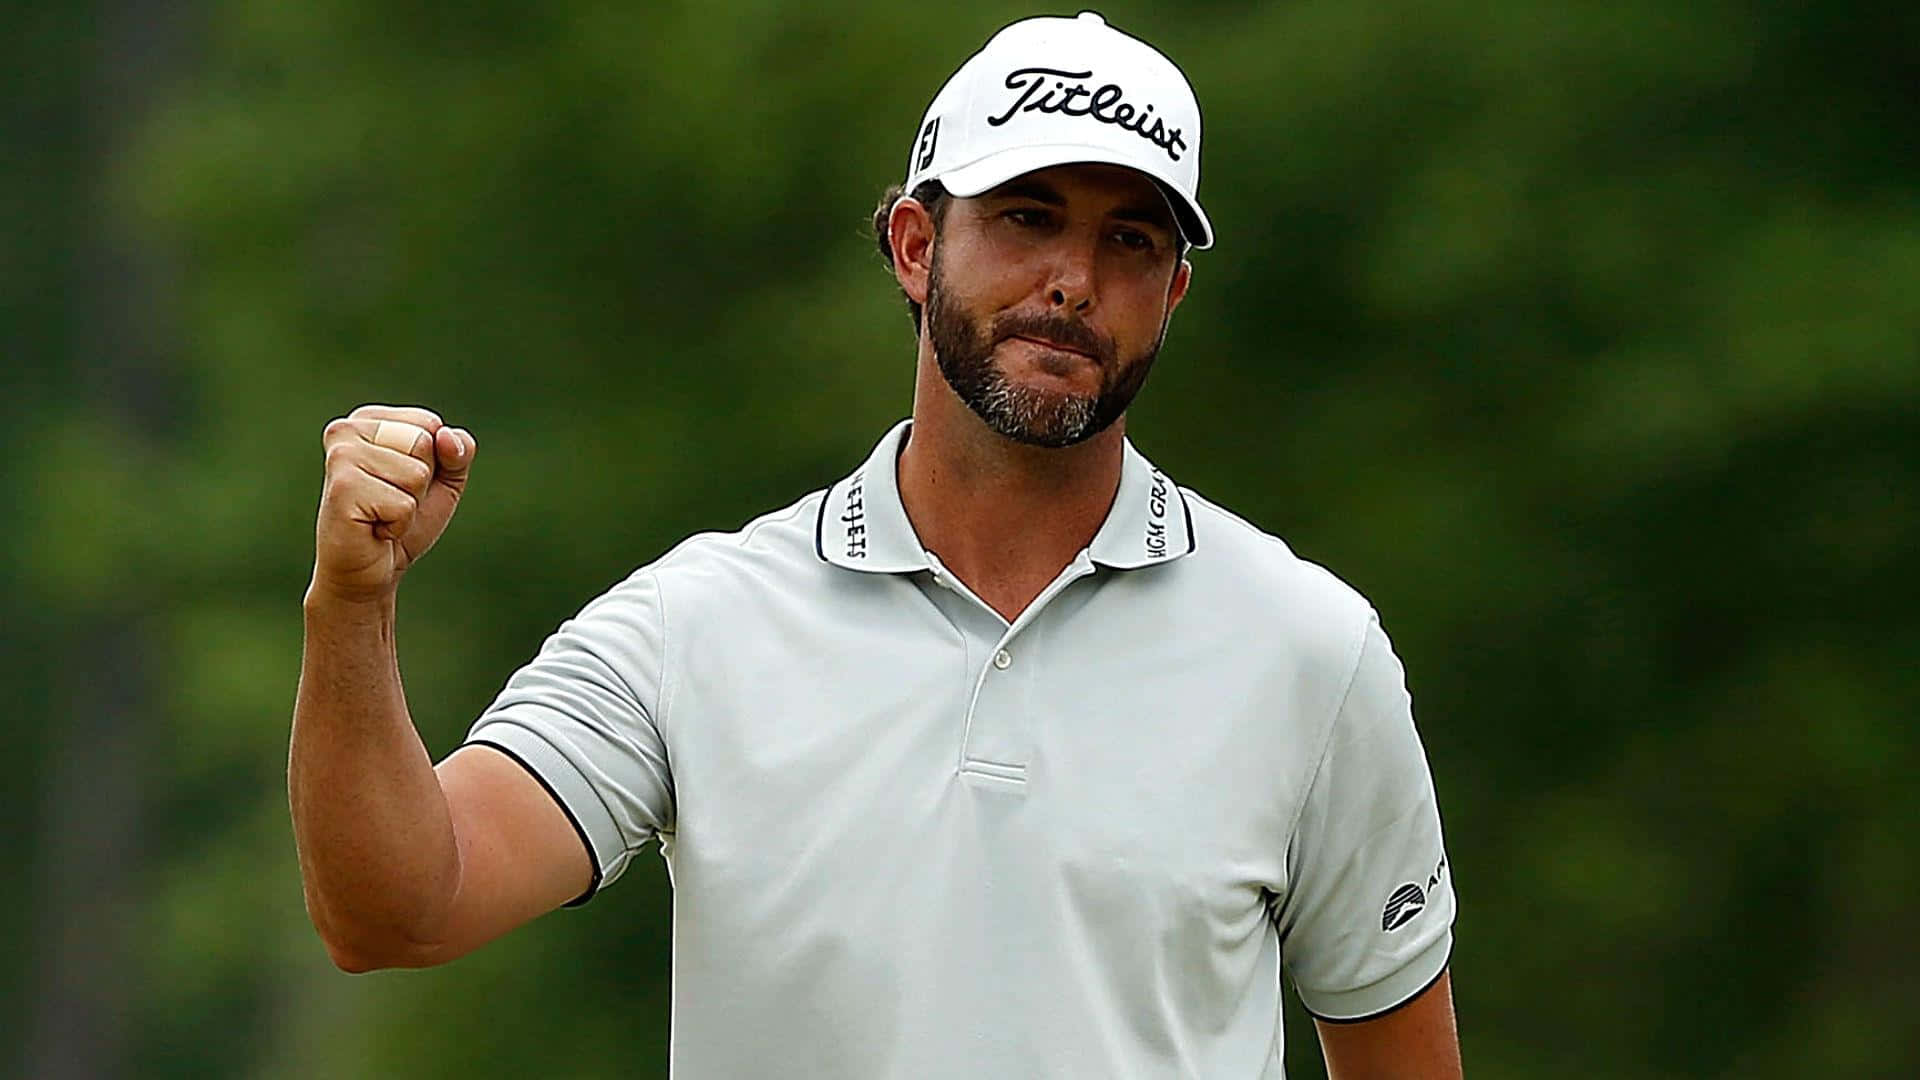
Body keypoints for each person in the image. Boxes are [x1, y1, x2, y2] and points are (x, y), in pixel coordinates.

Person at [291, 11, 1462, 1077]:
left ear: (1173, 296)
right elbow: (397, 908)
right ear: (914, 245)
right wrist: (353, 608)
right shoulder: (700, 624)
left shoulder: (1309, 650)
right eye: (1027, 217)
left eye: (1132, 243)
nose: (1074, 280)